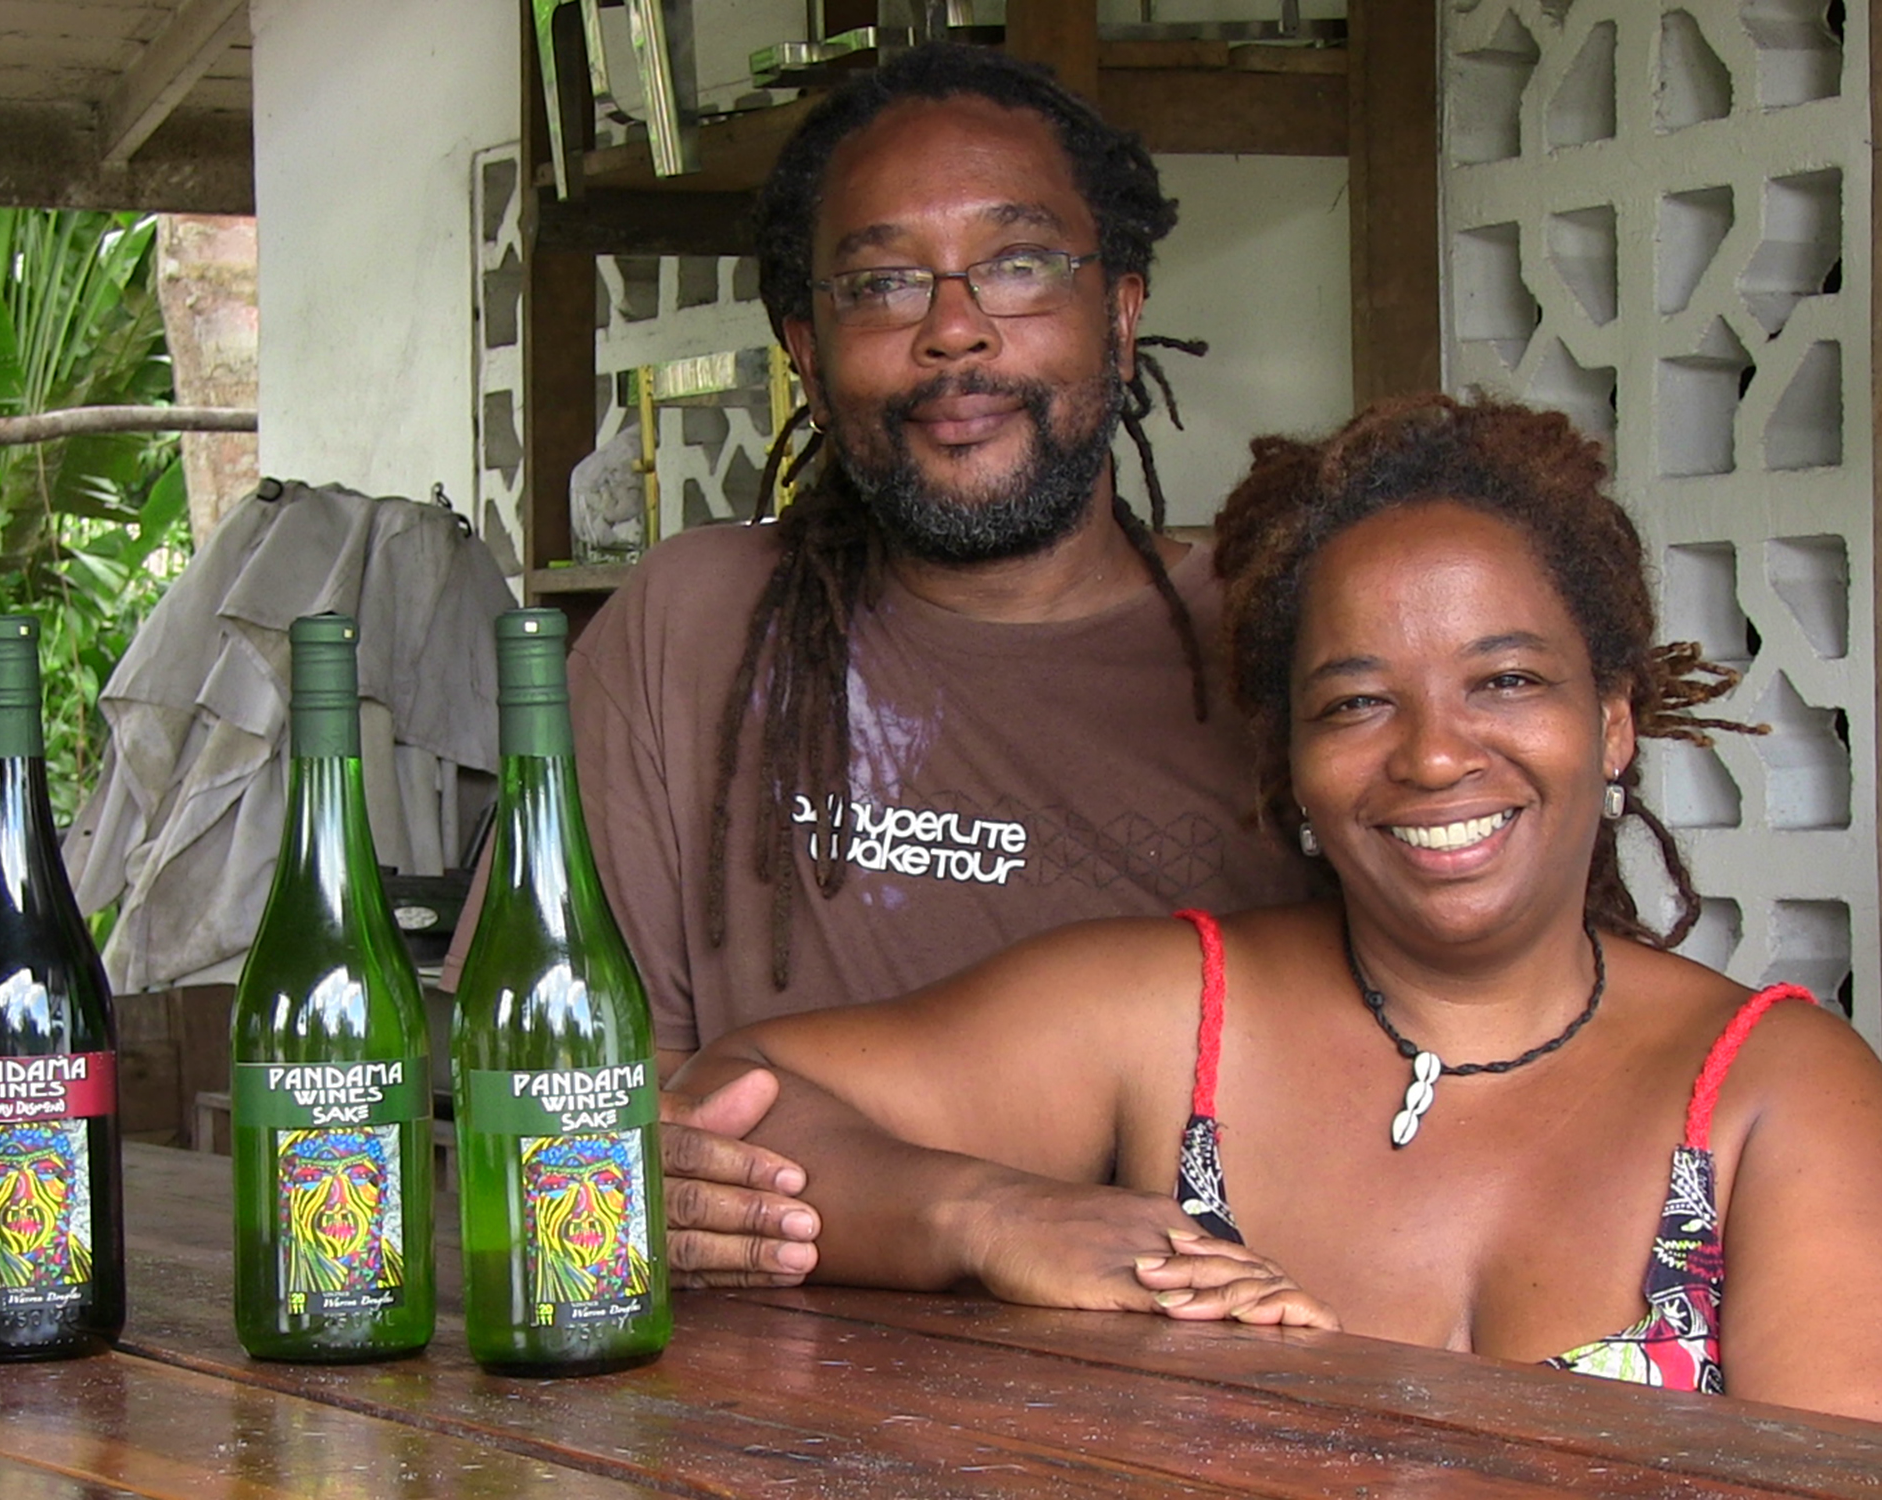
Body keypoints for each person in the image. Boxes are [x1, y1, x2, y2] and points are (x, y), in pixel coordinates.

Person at [673, 394, 1882, 1434]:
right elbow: (740, 1090)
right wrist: (986, 1217)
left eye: (1508, 680)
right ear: (1289, 761)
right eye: (1357, 702)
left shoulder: (1771, 1092)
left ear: (1615, 719)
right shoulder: (1177, 1017)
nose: (1431, 757)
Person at [472, 42, 1313, 1285]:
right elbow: (572, 1092)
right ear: (805, 353)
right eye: (881, 286)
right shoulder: (689, 627)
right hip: (754, 1403)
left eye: (1018, 267)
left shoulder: (1282, 648)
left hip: (1201, 1379)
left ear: (1121, 314)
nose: (954, 332)